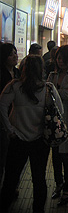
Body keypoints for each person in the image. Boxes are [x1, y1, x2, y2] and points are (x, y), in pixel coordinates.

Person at [0, 55, 63, 213]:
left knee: (11, 178)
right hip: (40, 140)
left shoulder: (14, 86)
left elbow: (1, 106)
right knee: (39, 178)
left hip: (18, 139)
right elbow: (59, 111)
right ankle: (38, 209)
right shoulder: (48, 88)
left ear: (23, 68)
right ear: (41, 69)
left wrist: (10, 129)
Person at [48, 45, 68, 206]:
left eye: (63, 58)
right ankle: (58, 183)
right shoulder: (52, 74)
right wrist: (59, 91)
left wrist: (54, 91)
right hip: (53, 120)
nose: (60, 61)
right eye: (58, 58)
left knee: (65, 155)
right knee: (55, 154)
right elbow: (47, 94)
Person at [0, 43, 20, 188]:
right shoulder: (1, 74)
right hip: (2, 119)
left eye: (15, 53)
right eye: (11, 54)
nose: (15, 56)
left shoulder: (18, 73)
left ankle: (12, 186)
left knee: (13, 158)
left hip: (16, 120)